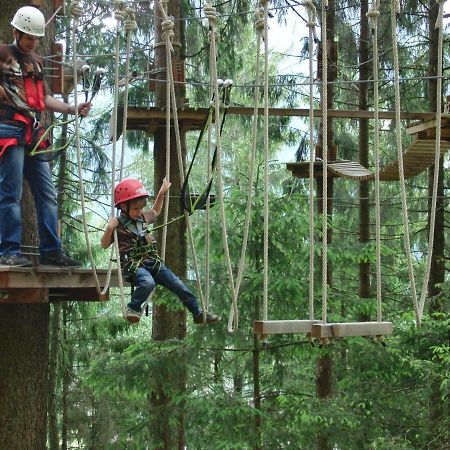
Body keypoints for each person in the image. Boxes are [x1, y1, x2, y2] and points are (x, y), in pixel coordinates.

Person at [0, 6, 92, 267]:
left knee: (47, 194)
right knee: (11, 193)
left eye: (36, 38)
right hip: (10, 130)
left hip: (35, 133)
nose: (32, 42)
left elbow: (44, 99)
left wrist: (71, 109)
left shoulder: (36, 62)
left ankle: (51, 251)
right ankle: (8, 251)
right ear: (16, 32)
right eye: (28, 37)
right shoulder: (2, 55)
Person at [101, 177, 220, 325]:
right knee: (147, 283)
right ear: (124, 207)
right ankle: (133, 308)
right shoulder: (118, 225)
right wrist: (109, 228)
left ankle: (198, 314)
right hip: (136, 266)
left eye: (141, 208)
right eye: (135, 209)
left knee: (179, 286)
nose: (139, 212)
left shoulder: (143, 217)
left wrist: (162, 192)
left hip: (154, 264)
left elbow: (156, 211)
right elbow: (104, 244)